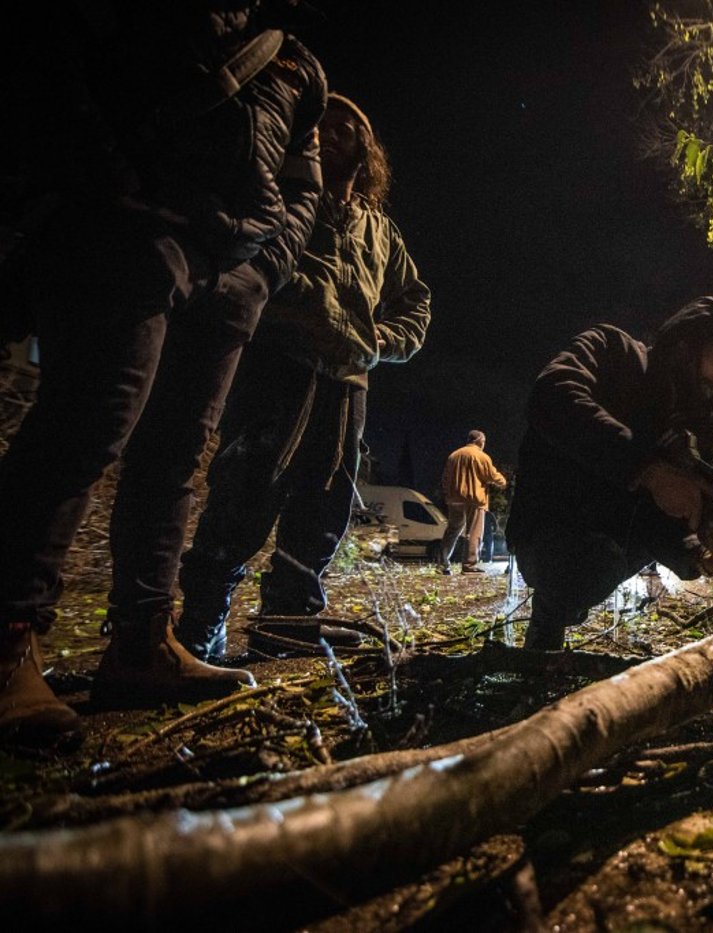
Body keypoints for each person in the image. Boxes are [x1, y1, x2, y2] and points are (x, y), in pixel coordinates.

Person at [0, 3, 326, 749]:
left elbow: (302, 184)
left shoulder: (295, 59)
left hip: (230, 273)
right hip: (121, 232)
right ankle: (11, 638)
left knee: (177, 452)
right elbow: (48, 68)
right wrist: (108, 188)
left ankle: (142, 639)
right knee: (87, 423)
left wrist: (262, 272)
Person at [175, 93, 432, 663]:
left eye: (350, 126)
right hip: (277, 364)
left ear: (367, 153)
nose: (335, 130)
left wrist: (380, 343)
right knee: (245, 489)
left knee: (323, 507)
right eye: (325, 123)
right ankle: (201, 621)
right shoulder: (287, 201)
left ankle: (288, 625)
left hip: (348, 384)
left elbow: (417, 301)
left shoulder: (380, 230)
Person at [507, 296, 713, 651]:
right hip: (553, 526)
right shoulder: (613, 349)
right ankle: (549, 617)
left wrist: (698, 556)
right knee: (595, 564)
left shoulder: (690, 425)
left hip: (621, 526)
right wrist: (650, 470)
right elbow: (551, 394)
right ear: (688, 343)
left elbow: (660, 518)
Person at [439, 430, 507, 574]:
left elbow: (445, 478)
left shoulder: (454, 455)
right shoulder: (481, 456)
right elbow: (492, 475)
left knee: (452, 531)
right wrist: (503, 482)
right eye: (484, 441)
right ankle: (469, 566)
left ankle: (442, 563)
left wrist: (448, 495)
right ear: (479, 440)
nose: (484, 444)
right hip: (474, 499)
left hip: (454, 499)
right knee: (474, 532)